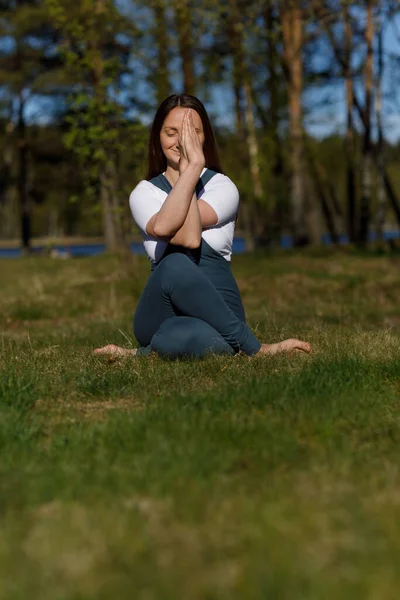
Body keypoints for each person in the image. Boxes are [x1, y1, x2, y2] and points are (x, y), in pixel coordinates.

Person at [94, 94, 311, 359]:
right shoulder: (144, 192)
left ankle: (144, 353)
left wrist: (191, 169)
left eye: (191, 132)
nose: (181, 141)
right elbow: (182, 237)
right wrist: (193, 166)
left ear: (204, 137)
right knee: (174, 263)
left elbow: (186, 232)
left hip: (221, 312)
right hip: (163, 309)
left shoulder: (222, 186)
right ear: (157, 137)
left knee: (185, 337)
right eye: (172, 132)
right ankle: (255, 349)